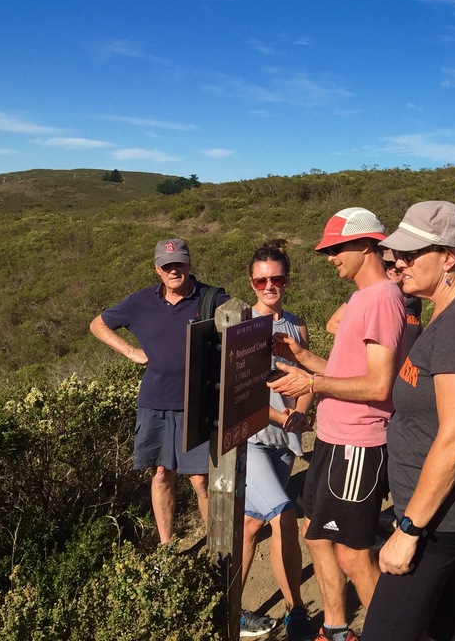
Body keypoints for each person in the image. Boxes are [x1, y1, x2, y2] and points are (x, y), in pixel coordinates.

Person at [361, 201, 455, 641]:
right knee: (448, 624)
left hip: (439, 522)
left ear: (448, 258)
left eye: (408, 255)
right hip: (438, 512)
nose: (395, 263)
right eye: (393, 255)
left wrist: (408, 530)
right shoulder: (442, 313)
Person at [269, 208, 405, 641]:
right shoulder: (363, 299)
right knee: (314, 534)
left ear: (366, 245)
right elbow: (348, 372)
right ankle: (336, 626)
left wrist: (311, 382)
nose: (330, 258)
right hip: (333, 437)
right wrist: (302, 357)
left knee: (353, 557)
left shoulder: (382, 299)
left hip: (357, 443)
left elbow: (379, 386)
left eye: (335, 248)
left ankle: (391, 633)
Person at [89, 238, 229, 543]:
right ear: (157, 269)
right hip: (155, 402)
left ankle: (217, 547)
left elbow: (242, 328)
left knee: (199, 479)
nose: (174, 270)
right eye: (167, 266)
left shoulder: (212, 299)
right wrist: (130, 351)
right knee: (162, 474)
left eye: (179, 263)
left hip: (198, 403)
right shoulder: (139, 303)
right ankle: (167, 547)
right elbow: (98, 325)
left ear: (190, 264)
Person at [239, 241, 315, 641]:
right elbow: (243, 392)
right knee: (284, 514)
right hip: (252, 440)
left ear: (286, 280)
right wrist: (285, 417)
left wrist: (300, 409)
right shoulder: (243, 326)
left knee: (251, 525)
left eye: (277, 278)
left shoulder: (296, 325)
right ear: (252, 283)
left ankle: (229, 606)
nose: (269, 286)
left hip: (284, 443)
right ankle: (296, 612)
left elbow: (306, 378)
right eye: (261, 279)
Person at [326, 248, 423, 358]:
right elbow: (332, 325)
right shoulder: (366, 294)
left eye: (398, 264)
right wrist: (368, 342)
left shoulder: (414, 298)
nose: (394, 268)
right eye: (389, 264)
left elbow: (418, 330)